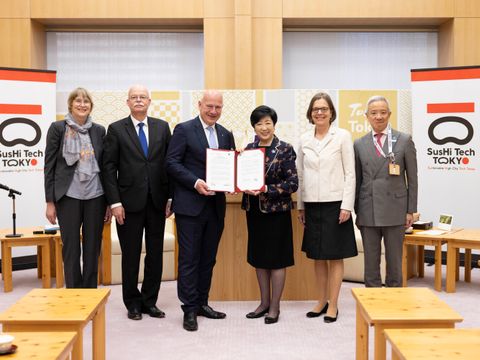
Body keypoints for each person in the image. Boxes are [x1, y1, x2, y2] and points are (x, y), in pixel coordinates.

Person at [166, 90, 235, 331]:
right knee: (189, 259)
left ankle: (202, 303)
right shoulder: (184, 129)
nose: (213, 111)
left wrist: (234, 183)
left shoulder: (226, 134)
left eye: (218, 107)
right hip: (190, 206)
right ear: (200, 105)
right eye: (209, 106)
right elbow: (171, 163)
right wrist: (195, 182)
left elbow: (231, 165)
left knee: (208, 258)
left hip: (215, 207)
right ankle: (188, 308)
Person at [102, 85, 172, 320]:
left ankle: (149, 301)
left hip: (157, 202)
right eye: (134, 97)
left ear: (150, 101)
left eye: (143, 97)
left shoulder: (162, 128)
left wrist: (170, 196)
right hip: (127, 204)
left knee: (155, 254)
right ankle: (132, 302)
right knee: (130, 255)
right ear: (128, 102)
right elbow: (109, 168)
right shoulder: (116, 129)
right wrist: (114, 203)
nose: (139, 100)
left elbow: (169, 164)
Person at [297, 92, 357, 323]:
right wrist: (301, 206)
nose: (319, 112)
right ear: (310, 114)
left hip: (336, 204)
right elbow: (301, 175)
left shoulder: (342, 136)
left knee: (335, 256)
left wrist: (346, 206)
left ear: (331, 112)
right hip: (312, 205)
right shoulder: (303, 139)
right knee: (317, 256)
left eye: (324, 109)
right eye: (315, 109)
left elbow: (350, 173)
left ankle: (333, 304)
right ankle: (320, 300)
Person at [44, 87, 110, 288]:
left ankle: (89, 292)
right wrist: (50, 202)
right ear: (71, 104)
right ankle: (73, 291)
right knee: (71, 248)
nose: (82, 105)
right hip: (68, 196)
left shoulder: (99, 130)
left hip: (96, 196)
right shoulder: (58, 128)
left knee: (92, 247)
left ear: (91, 106)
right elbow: (49, 166)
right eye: (78, 101)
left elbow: (106, 167)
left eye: (86, 101)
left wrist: (109, 202)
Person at [241, 105, 298, 324]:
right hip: (254, 211)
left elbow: (292, 183)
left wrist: (267, 190)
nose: (264, 128)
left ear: (274, 125)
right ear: (253, 127)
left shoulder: (284, 149)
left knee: (277, 260)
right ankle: (263, 303)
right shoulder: (249, 148)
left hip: (276, 212)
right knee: (259, 258)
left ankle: (275, 306)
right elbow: (243, 176)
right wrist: (239, 184)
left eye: (268, 123)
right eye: (259, 124)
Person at [354, 95, 418, 287]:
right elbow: (357, 180)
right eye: (374, 113)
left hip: (396, 209)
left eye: (383, 112)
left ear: (389, 114)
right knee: (371, 265)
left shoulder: (404, 140)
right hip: (368, 209)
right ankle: (372, 304)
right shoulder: (359, 144)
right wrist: (357, 209)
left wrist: (410, 210)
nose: (379, 116)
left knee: (395, 264)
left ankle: (394, 303)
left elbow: (413, 179)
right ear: (367, 116)